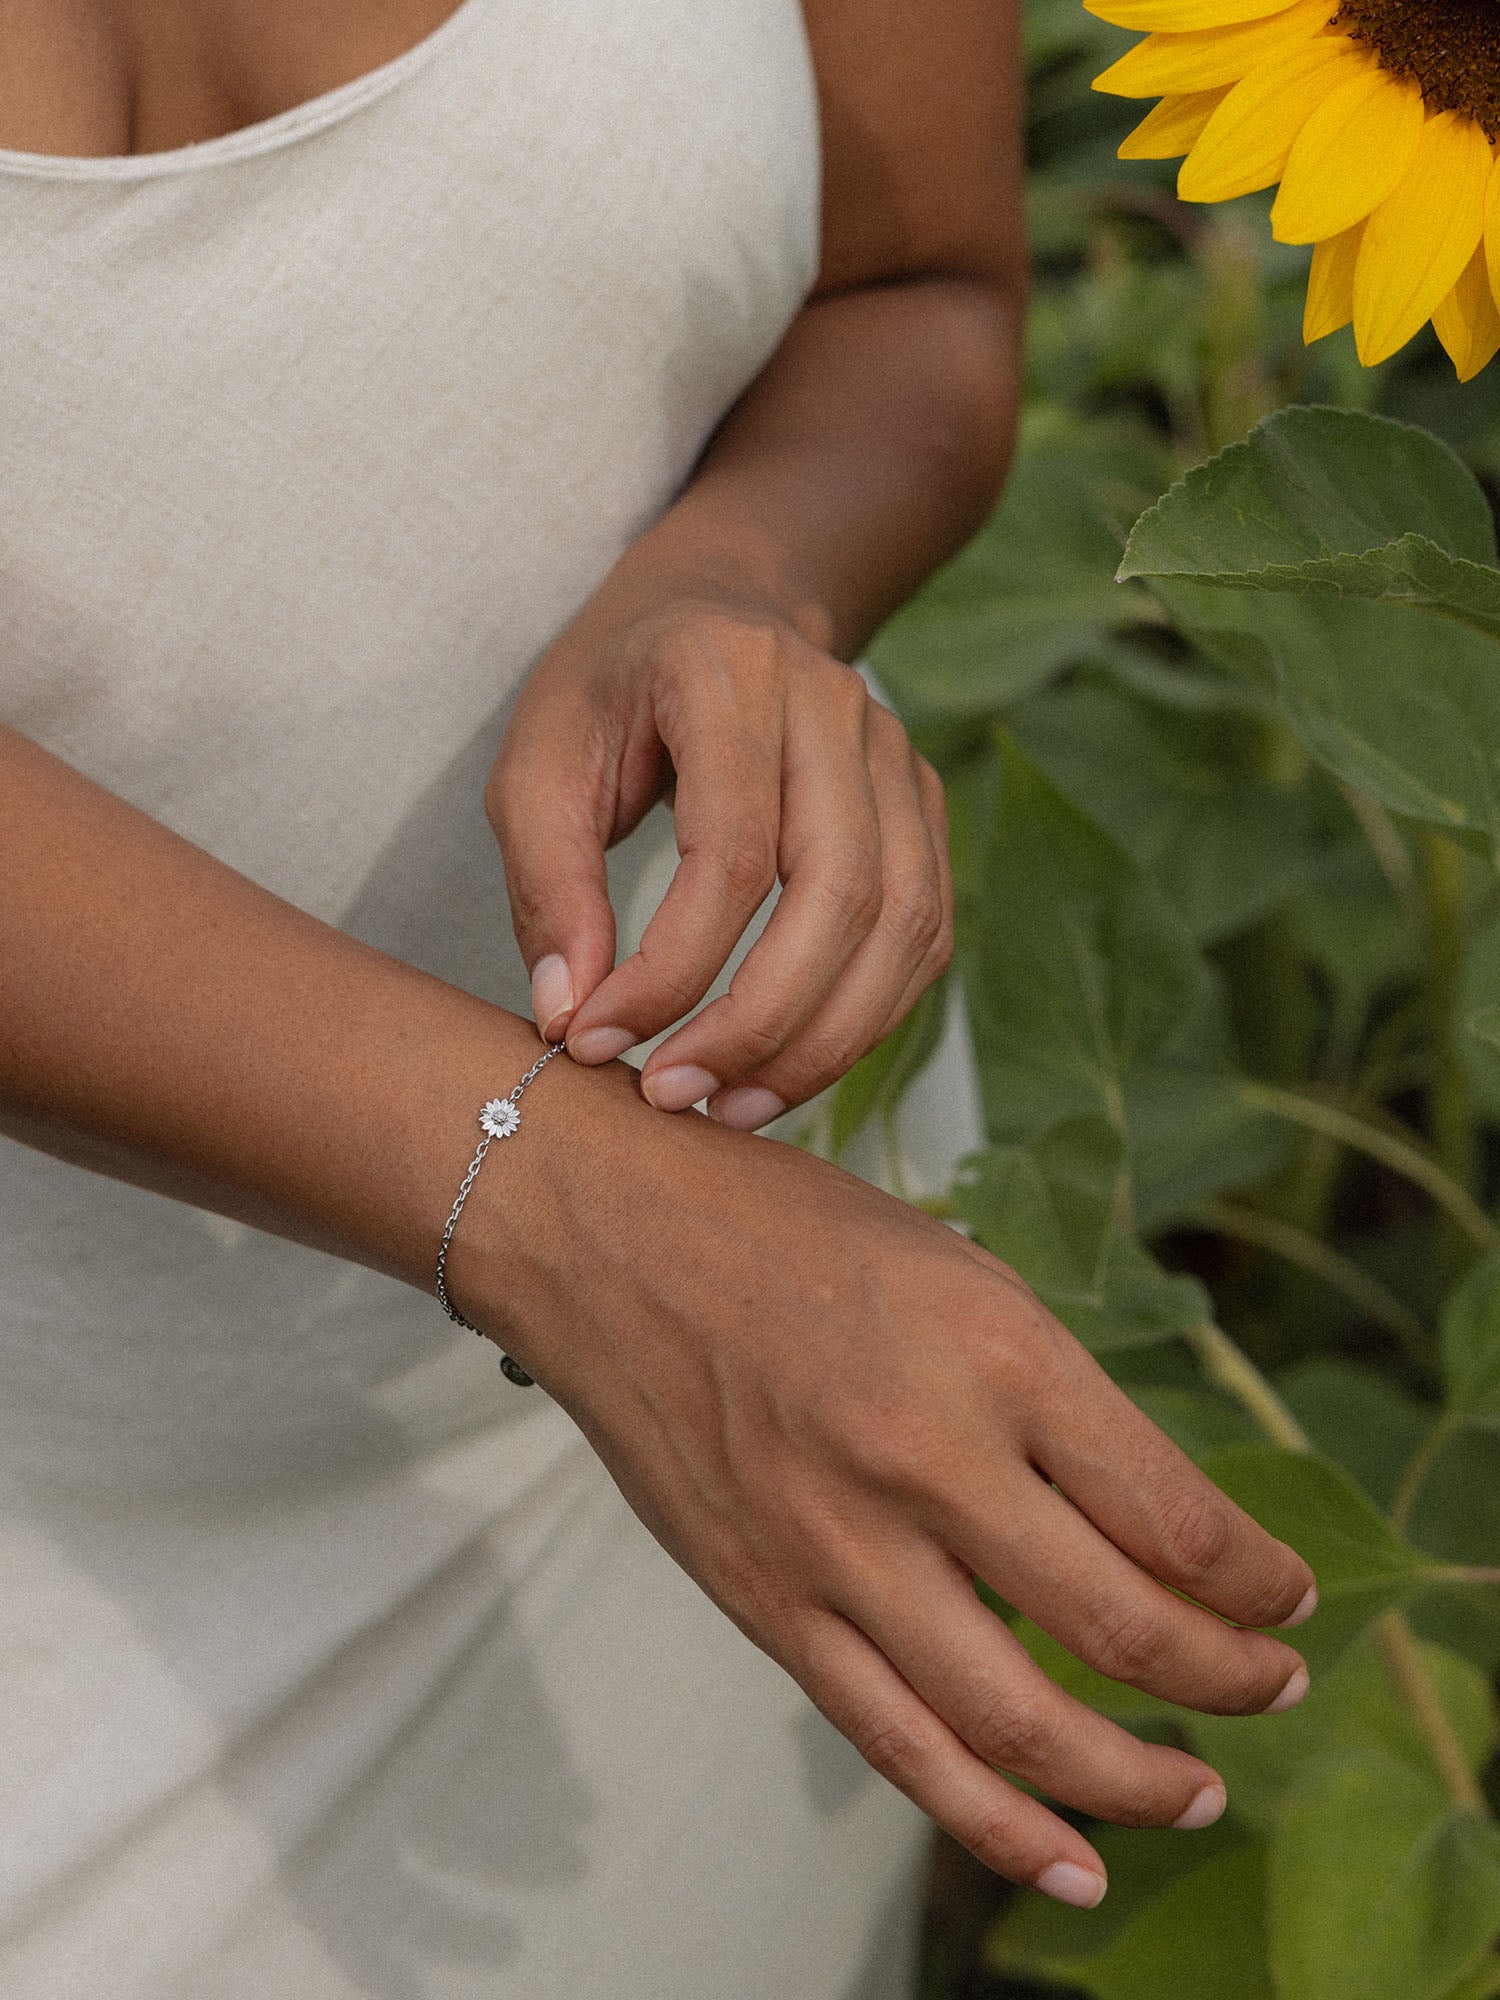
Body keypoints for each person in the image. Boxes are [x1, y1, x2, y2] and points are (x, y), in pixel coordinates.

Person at [0, 2, 1318, 1994]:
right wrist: (558, 1209)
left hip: (789, 1362)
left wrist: (736, 584)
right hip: (106, 1479)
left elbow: (915, 288)